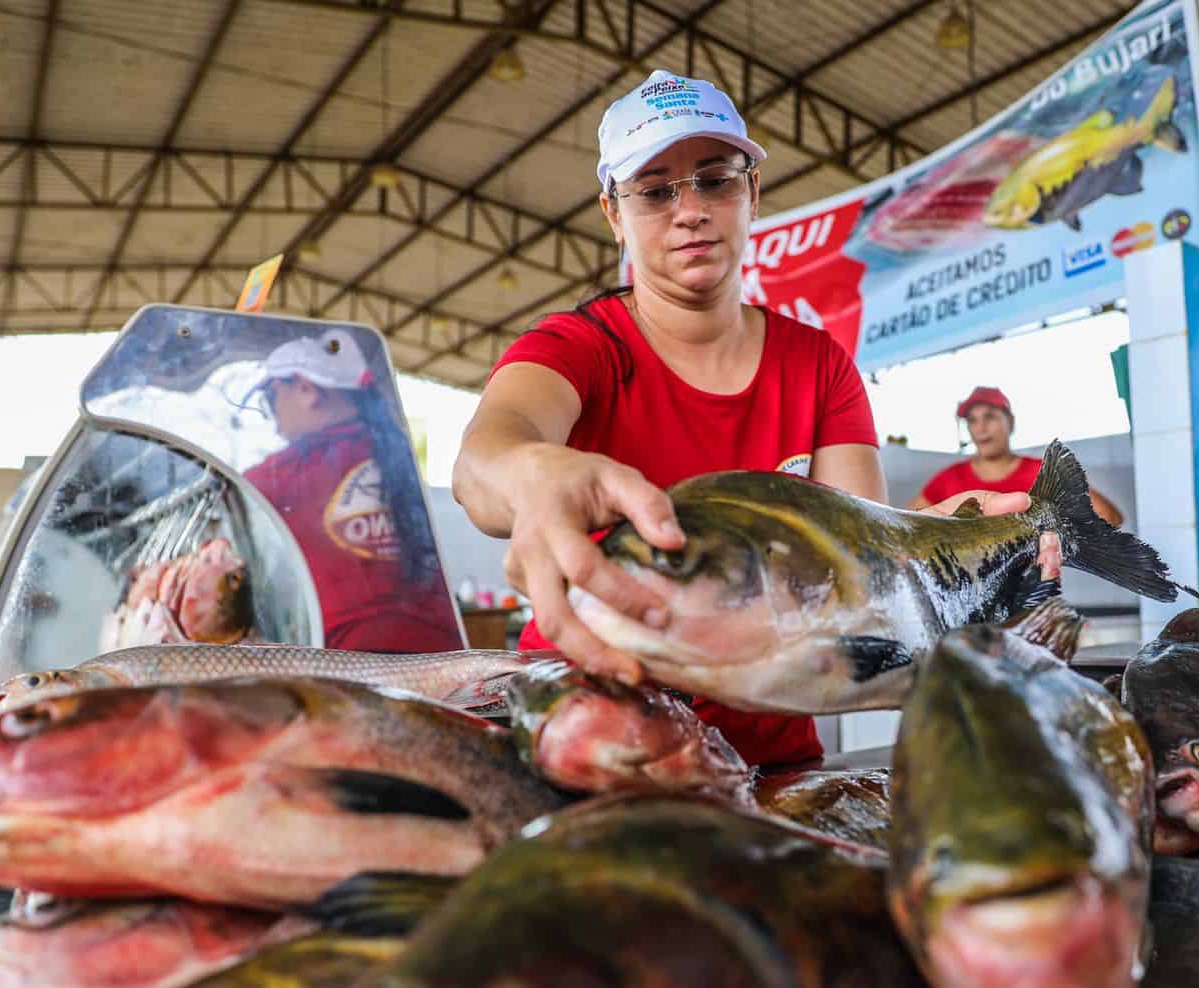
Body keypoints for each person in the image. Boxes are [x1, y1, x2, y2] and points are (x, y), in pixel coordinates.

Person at [453, 70, 1057, 767]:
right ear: (614, 214)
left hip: (772, 765)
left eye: (716, 179)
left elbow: (860, 555)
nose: (690, 211)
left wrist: (944, 535)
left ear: (753, 193)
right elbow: (483, 460)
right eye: (654, 191)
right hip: (591, 742)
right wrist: (529, 473)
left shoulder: (818, 365)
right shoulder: (580, 347)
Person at [243, 330, 463, 653]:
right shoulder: (395, 453)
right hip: (442, 653)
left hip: (352, 665)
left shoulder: (282, 474)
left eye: (272, 398)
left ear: (306, 389)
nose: (273, 416)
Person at [908, 386, 1125, 527]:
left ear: (1010, 422)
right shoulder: (949, 478)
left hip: (1033, 593)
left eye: (990, 416)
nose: (981, 427)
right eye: (972, 421)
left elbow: (1109, 518)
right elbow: (905, 524)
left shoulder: (1041, 472)